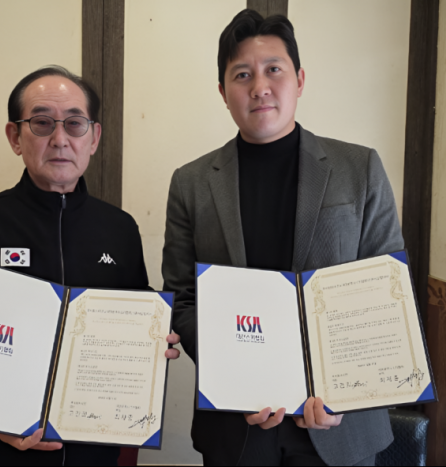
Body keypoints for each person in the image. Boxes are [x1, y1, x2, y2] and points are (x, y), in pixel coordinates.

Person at [0, 65, 181, 466]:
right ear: (15, 137)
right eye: (42, 123)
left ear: (94, 138)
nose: (60, 139)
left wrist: (153, 342)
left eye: (75, 124)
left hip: (92, 451)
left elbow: (135, 312)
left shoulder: (119, 229)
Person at [162, 10, 402, 467]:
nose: (260, 87)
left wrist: (345, 390)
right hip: (236, 427)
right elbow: (183, 299)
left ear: (299, 79)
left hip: (340, 426)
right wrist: (237, 379)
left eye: (274, 69)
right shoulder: (191, 183)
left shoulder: (360, 168)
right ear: (223, 92)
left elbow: (387, 294)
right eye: (242, 75)